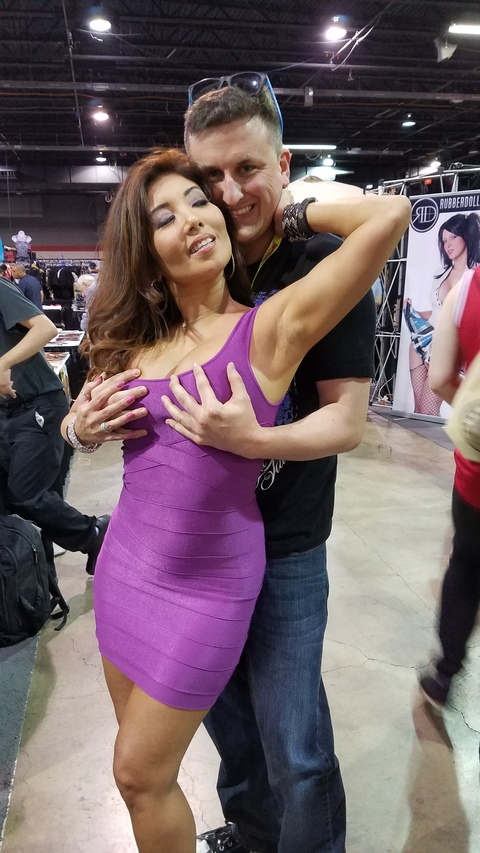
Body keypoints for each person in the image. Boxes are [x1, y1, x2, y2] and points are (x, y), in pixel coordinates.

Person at [61, 147, 409, 853]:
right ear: (145, 251)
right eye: (166, 217)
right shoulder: (133, 341)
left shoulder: (270, 326)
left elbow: (391, 215)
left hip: (209, 583)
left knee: (138, 771)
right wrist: (79, 428)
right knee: (140, 774)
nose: (194, 219)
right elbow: (78, 414)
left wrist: (287, 212)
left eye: (200, 203)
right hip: (125, 569)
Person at [0, 276, 109, 577]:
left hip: (37, 406)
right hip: (7, 412)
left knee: (29, 495)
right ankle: (36, 582)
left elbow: (45, 328)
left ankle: (94, 534)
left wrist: (3, 363)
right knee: (12, 504)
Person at [419, 266, 480, 709]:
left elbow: (439, 378)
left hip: (476, 473)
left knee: (466, 565)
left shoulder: (467, 289)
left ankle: (445, 672)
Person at [404, 212, 480, 416]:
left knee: (428, 412)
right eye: (444, 240)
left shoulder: (475, 276)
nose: (448, 244)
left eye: (453, 237)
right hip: (421, 344)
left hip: (446, 350)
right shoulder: (440, 273)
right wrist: (412, 311)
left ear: (466, 236)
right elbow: (437, 311)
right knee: (419, 412)